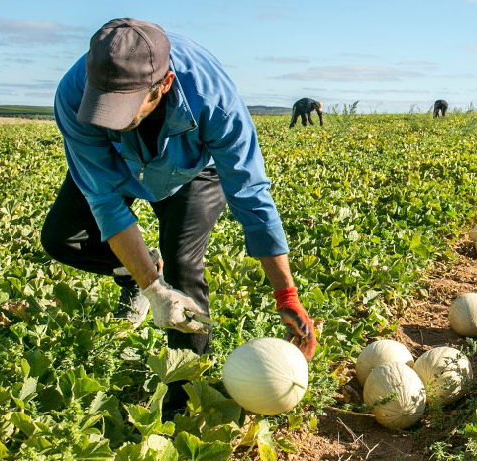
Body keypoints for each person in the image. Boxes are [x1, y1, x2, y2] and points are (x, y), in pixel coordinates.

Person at [41, 18, 318, 417]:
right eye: (102, 104)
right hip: (118, 165)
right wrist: (153, 288)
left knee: (182, 265)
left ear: (164, 84)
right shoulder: (73, 97)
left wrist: (286, 294)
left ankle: (185, 392)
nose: (108, 118)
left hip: (191, 170)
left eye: (121, 107)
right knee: (61, 238)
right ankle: (138, 274)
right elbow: (104, 201)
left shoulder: (214, 100)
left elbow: (251, 197)